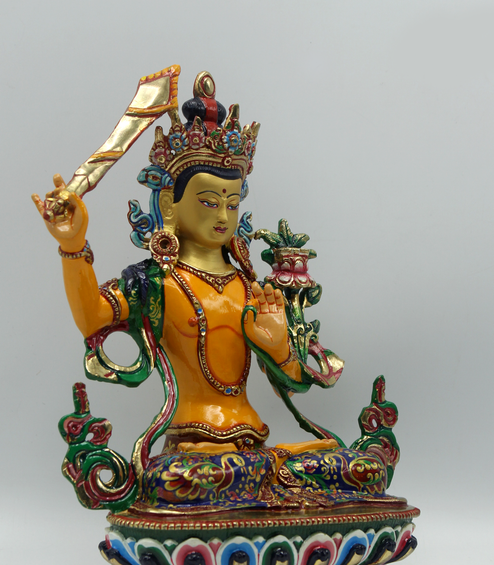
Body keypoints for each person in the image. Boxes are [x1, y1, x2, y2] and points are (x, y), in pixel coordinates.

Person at [33, 72, 398, 514]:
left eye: (232, 202)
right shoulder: (155, 282)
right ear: (169, 205)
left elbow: (298, 379)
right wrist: (73, 247)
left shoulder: (251, 287)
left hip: (256, 449)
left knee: (360, 469)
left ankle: (263, 488)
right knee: (178, 480)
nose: (223, 215)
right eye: (209, 201)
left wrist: (279, 349)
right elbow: (92, 316)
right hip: (195, 454)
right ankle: (258, 495)